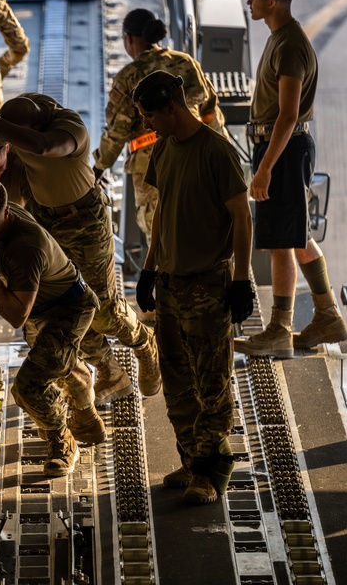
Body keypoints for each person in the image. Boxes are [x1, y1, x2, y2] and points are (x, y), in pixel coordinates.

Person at [0, 93, 161, 405]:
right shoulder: (19, 136)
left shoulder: (69, 127)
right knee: (69, 309)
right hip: (48, 220)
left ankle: (144, 343)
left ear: (37, 124)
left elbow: (43, 146)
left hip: (84, 221)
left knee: (104, 310)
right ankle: (110, 371)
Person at [132, 70, 253, 505]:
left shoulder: (216, 152)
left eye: (150, 115)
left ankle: (212, 472)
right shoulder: (164, 147)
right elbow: (163, 209)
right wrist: (149, 269)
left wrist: (240, 280)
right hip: (170, 283)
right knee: (179, 382)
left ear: (172, 108)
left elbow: (242, 217)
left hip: (207, 285)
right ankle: (191, 459)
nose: (147, 124)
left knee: (212, 384)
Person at [233, 0, 347, 357]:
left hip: (282, 149)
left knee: (281, 243)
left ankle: (280, 329)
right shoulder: (281, 38)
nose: (249, 2)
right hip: (283, 148)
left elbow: (287, 114)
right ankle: (327, 315)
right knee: (296, 237)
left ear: (271, 0)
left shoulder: (289, 46)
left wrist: (265, 167)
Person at [0, 177, 104, 477]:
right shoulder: (1, 216)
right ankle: (85, 405)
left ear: (5, 213)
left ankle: (62, 441)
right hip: (42, 309)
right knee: (55, 363)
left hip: (68, 310)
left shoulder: (24, 247)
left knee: (29, 387)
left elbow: (16, 315)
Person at [92, 9, 225, 248]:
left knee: (163, 237)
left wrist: (99, 167)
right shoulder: (185, 62)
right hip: (197, 157)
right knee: (203, 223)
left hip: (154, 167)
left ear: (128, 38)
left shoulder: (129, 77)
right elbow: (210, 111)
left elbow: (117, 132)